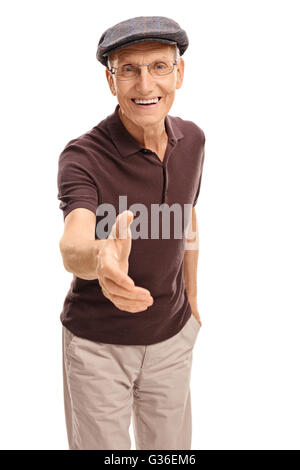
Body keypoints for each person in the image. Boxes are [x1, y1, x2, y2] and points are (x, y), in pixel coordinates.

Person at [57, 15, 206, 450]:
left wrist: (192, 295)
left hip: (172, 338)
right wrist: (101, 257)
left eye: (159, 67)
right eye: (129, 70)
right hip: (98, 347)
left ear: (179, 72)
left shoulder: (193, 141)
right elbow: (73, 241)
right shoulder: (82, 156)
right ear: (111, 80)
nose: (145, 86)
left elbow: (188, 215)